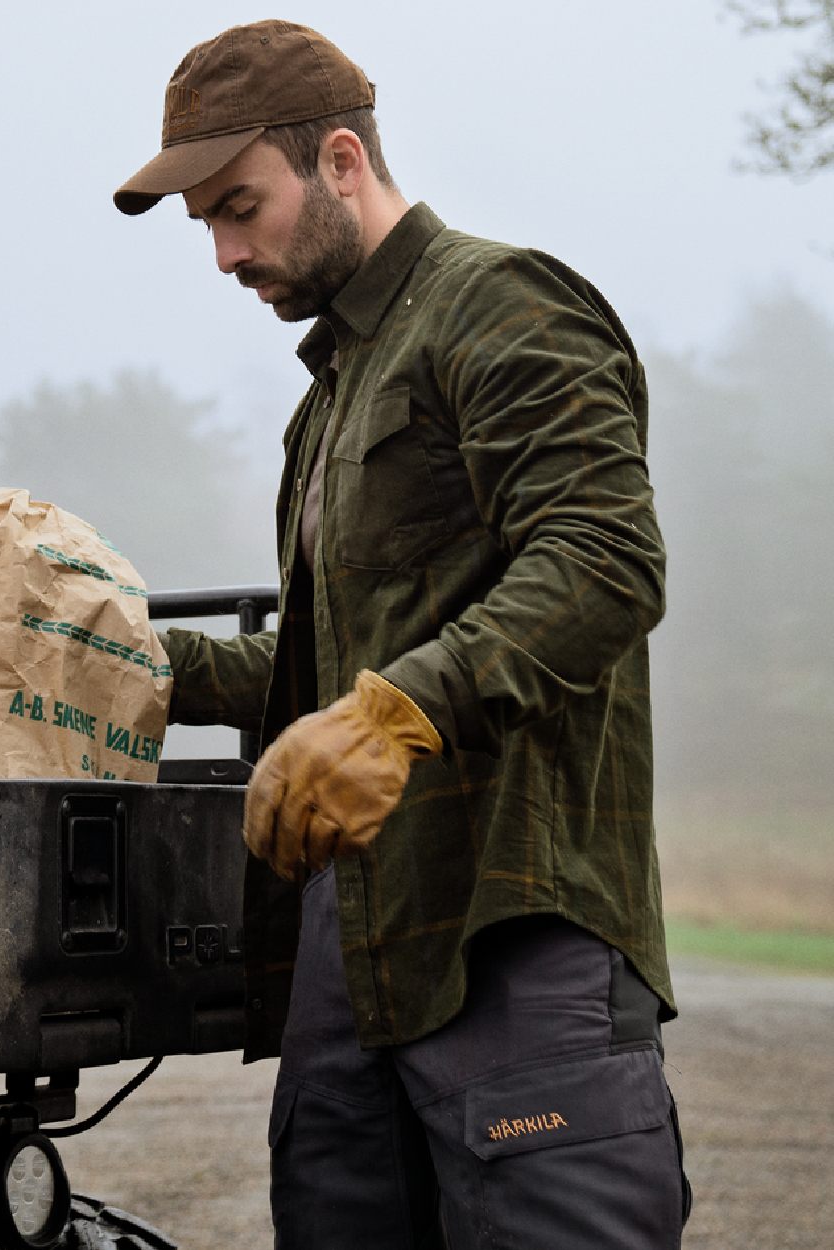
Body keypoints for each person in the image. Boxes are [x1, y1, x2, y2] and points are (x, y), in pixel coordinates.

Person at [115, 19, 691, 1248]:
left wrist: (400, 710)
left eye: (240, 207)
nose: (223, 254)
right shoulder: (328, 402)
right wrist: (129, 660)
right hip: (351, 967)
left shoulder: (501, 305)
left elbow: (603, 556)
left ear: (338, 161)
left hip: (508, 930)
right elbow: (336, 669)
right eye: (205, 225)